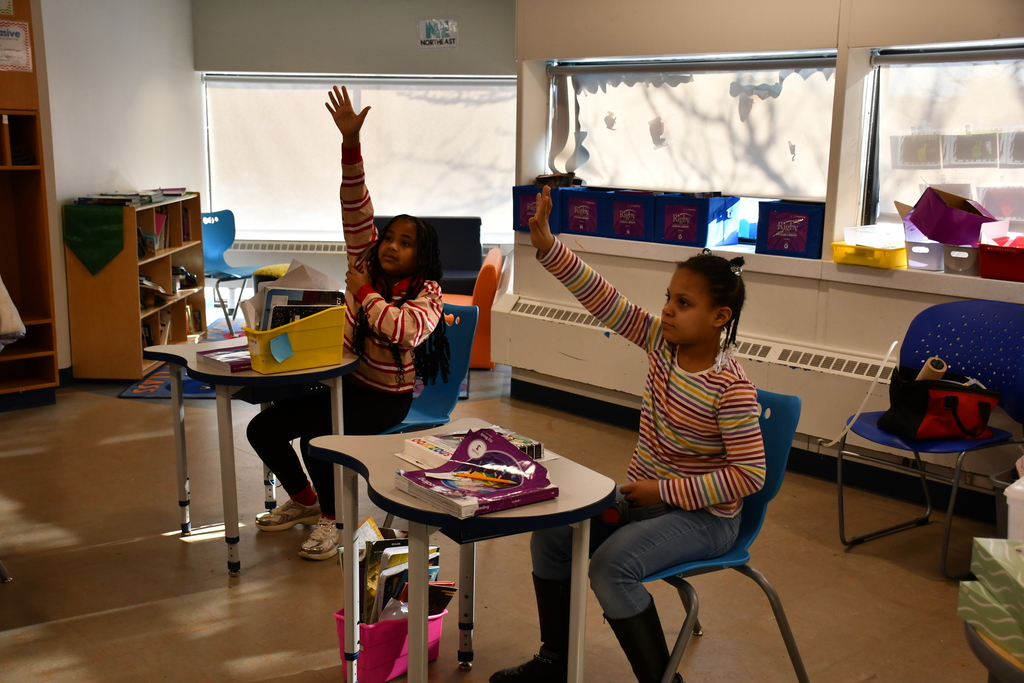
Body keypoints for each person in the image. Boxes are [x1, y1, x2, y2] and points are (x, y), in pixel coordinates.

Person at [490, 186, 766, 683]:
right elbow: (606, 300)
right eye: (668, 298)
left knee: (610, 567)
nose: (667, 310)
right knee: (552, 534)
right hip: (645, 501)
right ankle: (556, 660)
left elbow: (749, 475)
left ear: (720, 318)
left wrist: (663, 490)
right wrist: (549, 246)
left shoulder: (732, 388)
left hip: (706, 518)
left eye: (683, 303)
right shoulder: (662, 344)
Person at [246, 85, 451, 560]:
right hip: (344, 385)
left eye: (406, 243)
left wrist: (362, 291)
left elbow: (403, 330)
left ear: (422, 257)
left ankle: (336, 522)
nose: (392, 246)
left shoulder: (428, 293)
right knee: (264, 430)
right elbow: (355, 206)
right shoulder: (366, 260)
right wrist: (349, 144)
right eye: (390, 237)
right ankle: (304, 503)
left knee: (319, 441)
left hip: (387, 401)